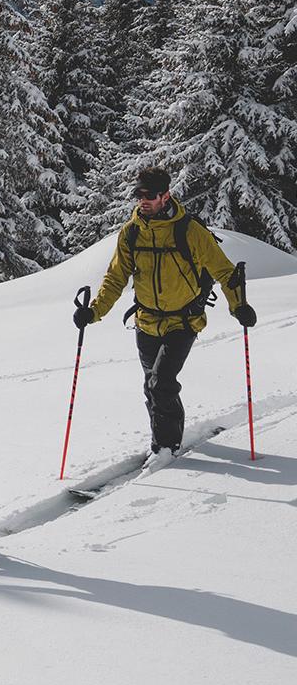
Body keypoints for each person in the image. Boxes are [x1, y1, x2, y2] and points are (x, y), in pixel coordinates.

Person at [75, 167, 256, 469]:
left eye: (150, 196)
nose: (143, 201)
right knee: (152, 386)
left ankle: (165, 448)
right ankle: (167, 437)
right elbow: (115, 278)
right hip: (146, 321)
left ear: (165, 196)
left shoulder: (189, 230)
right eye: (139, 195)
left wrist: (238, 306)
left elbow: (224, 271)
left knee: (162, 383)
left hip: (183, 321)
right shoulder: (131, 232)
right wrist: (93, 312)